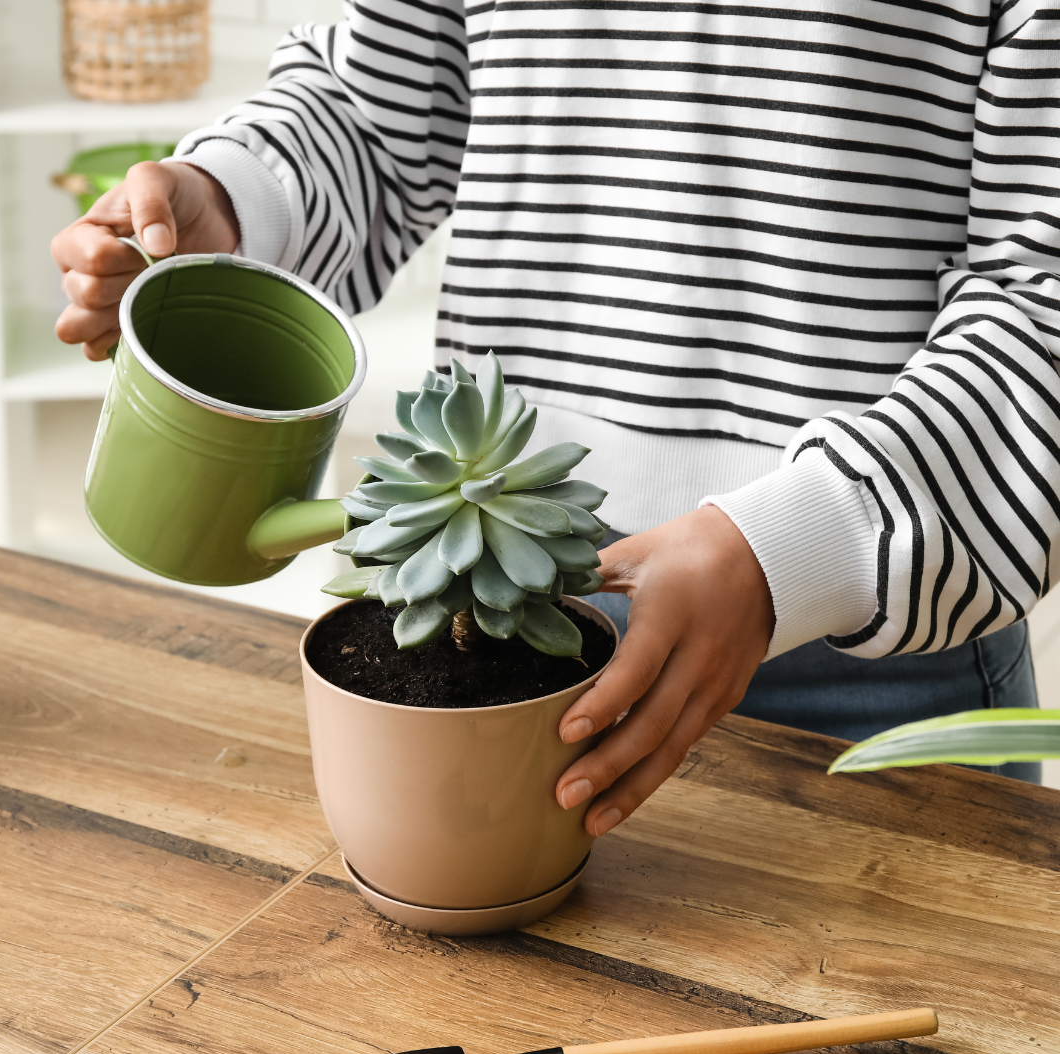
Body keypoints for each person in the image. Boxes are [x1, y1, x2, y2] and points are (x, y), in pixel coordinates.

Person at [52, 0, 1057, 835]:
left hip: (871, 646)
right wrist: (235, 201)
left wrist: (795, 550)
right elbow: (376, 106)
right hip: (490, 591)